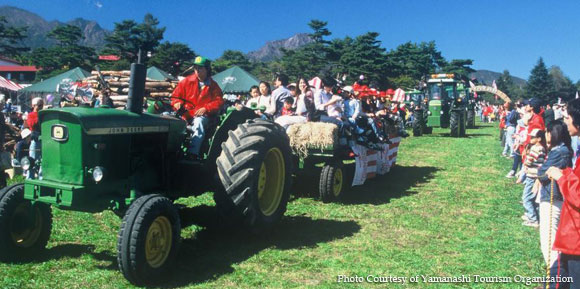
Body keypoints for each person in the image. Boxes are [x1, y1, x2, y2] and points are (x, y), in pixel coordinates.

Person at [545, 98, 580, 289]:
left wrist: (561, 177)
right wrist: (565, 174)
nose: (565, 121)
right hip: (571, 237)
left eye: (568, 117)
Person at [537, 120, 572, 274]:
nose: (546, 135)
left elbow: (542, 174)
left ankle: (556, 278)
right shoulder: (559, 150)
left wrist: (540, 172)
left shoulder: (559, 151)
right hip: (553, 198)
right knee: (549, 241)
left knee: (549, 243)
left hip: (553, 200)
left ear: (553, 133)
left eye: (547, 131)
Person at [171, 56, 224, 158]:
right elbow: (175, 96)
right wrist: (176, 103)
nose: (197, 70)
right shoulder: (186, 81)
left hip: (204, 116)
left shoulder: (213, 85)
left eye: (200, 68)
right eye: (195, 67)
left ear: (207, 69)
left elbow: (219, 101)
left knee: (198, 123)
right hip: (185, 114)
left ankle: (192, 154)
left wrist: (206, 108)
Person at [521, 128, 546, 227]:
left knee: (526, 198)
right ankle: (532, 214)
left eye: (533, 137)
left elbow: (529, 161)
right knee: (533, 197)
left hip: (532, 175)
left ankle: (533, 219)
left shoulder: (536, 148)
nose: (530, 138)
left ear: (539, 139)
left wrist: (526, 161)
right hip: (536, 175)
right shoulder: (542, 148)